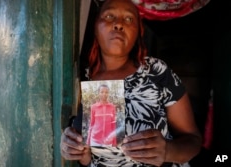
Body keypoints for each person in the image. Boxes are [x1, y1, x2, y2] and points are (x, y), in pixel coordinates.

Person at [60, 0, 202, 166]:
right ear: (95, 26)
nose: (118, 24)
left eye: (128, 19)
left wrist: (168, 151)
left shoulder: (156, 71)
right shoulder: (82, 80)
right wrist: (76, 151)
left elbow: (193, 140)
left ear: (138, 32)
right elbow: (92, 159)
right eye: (109, 16)